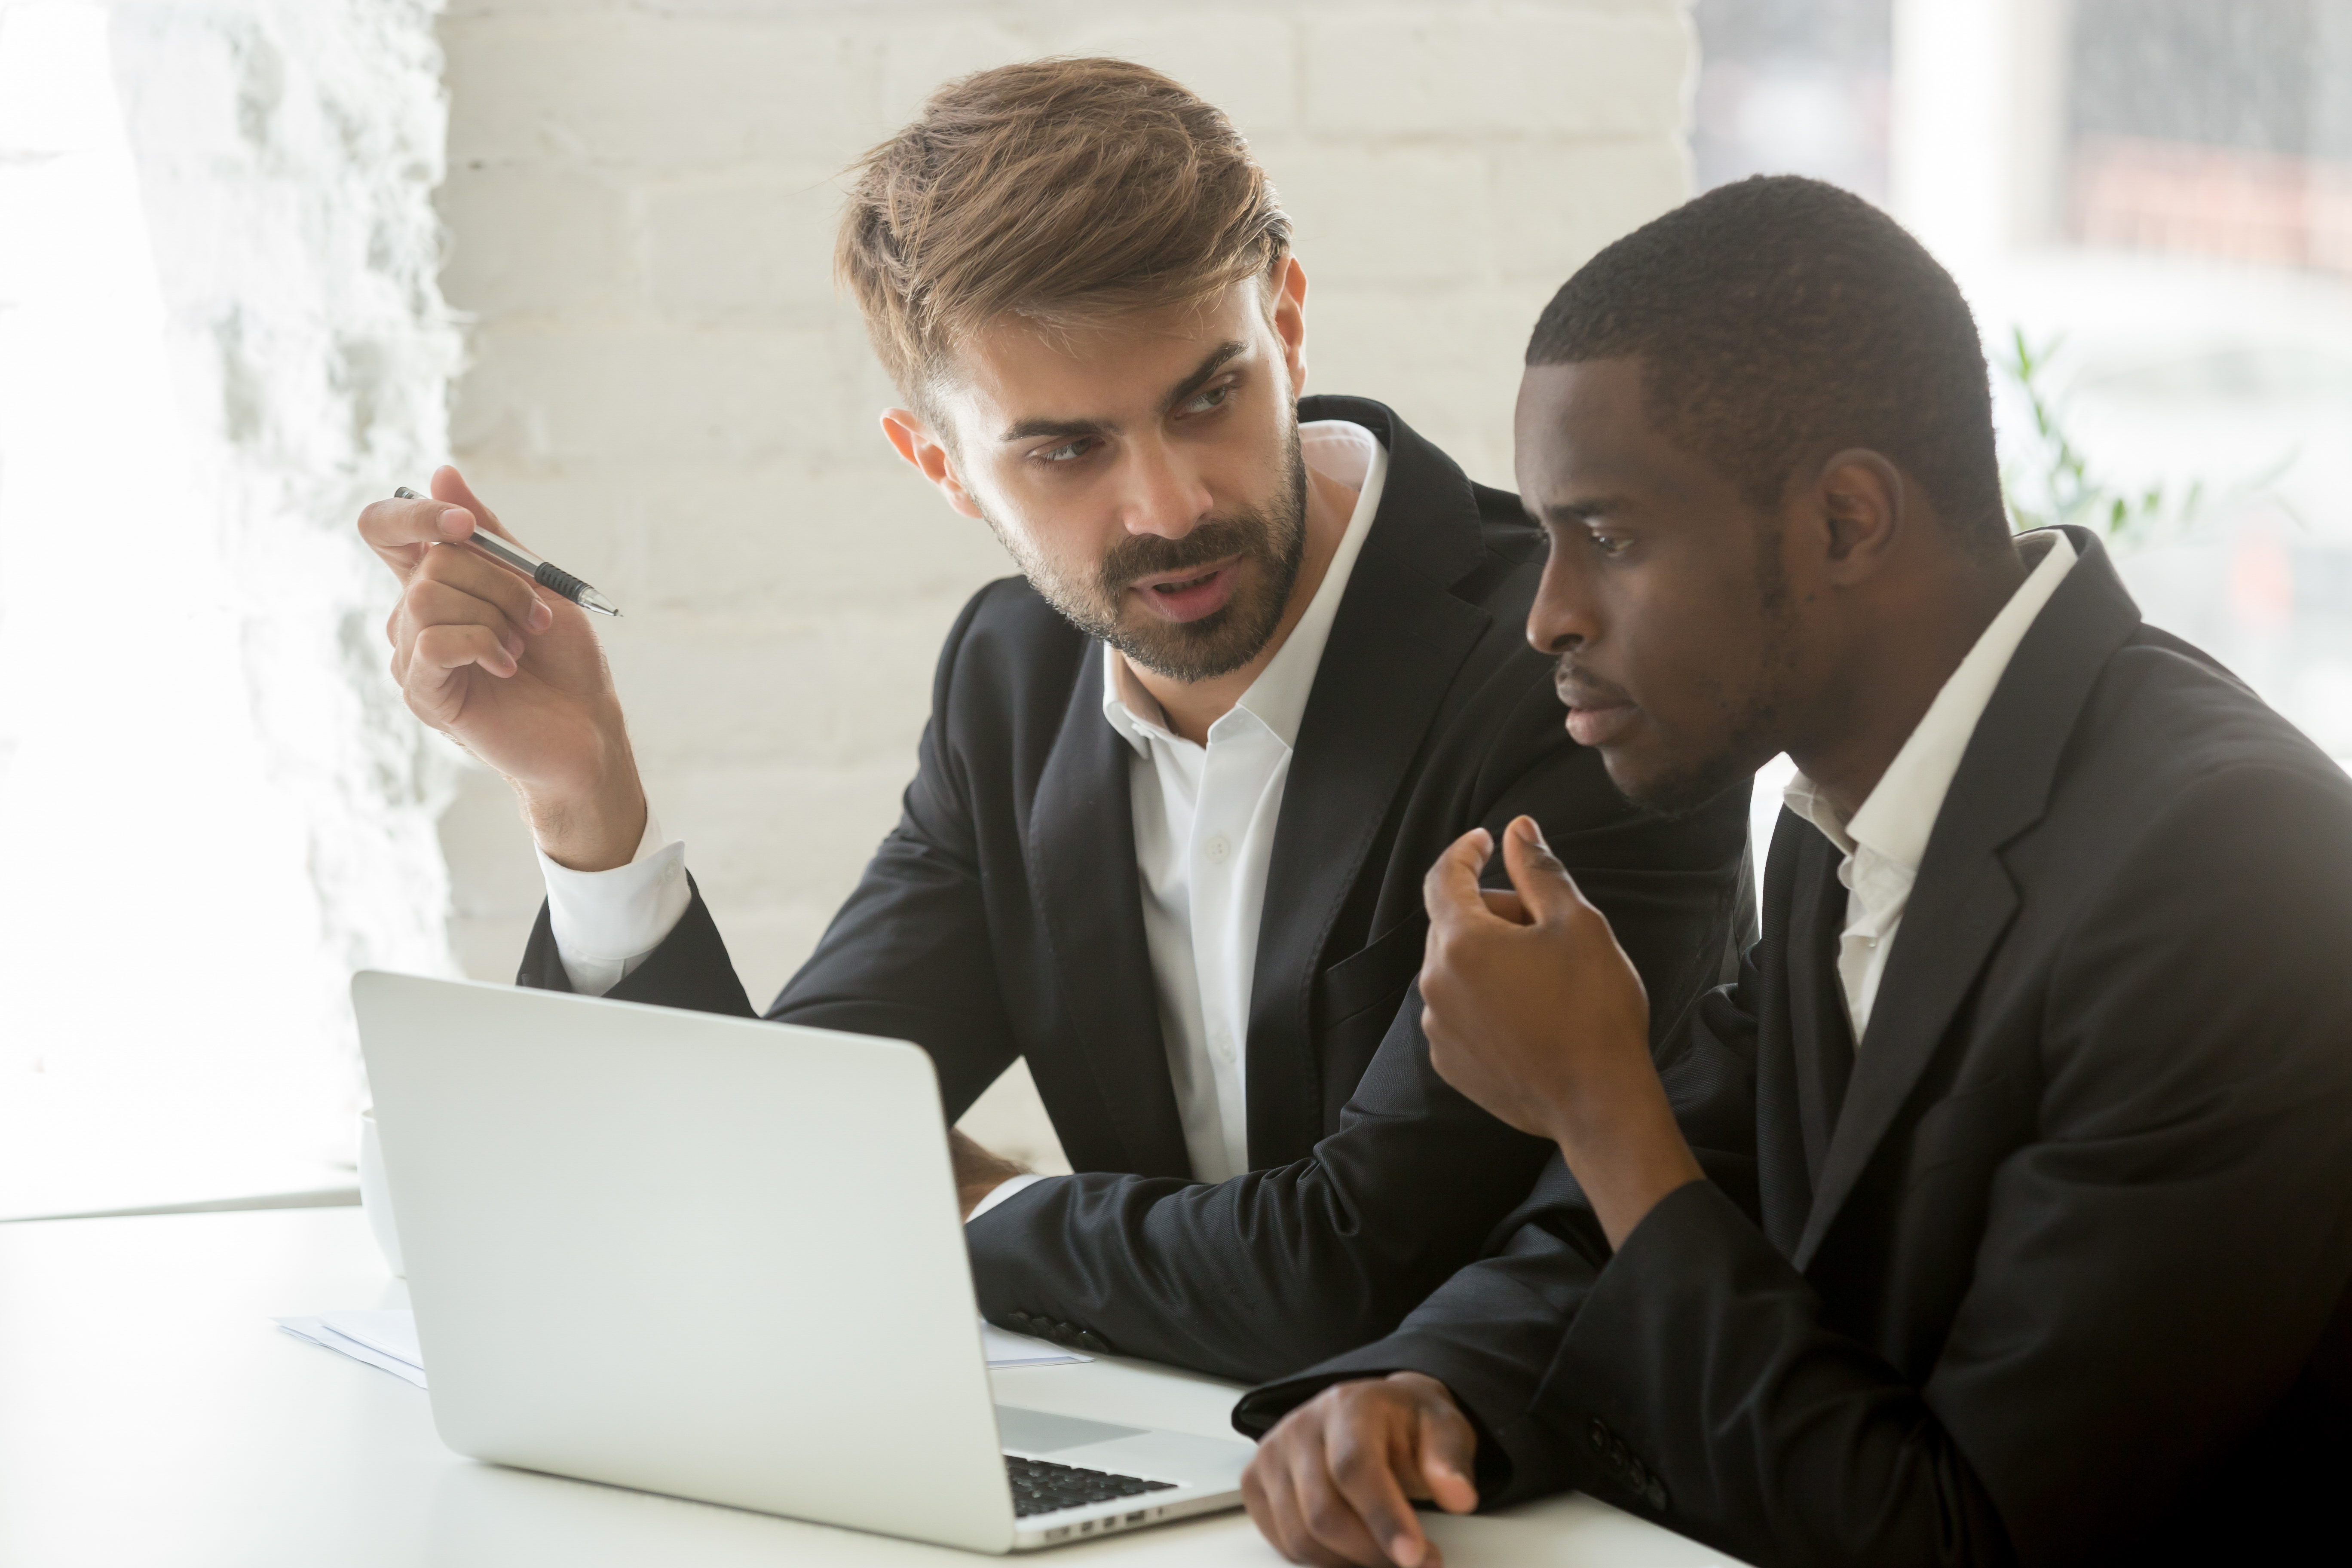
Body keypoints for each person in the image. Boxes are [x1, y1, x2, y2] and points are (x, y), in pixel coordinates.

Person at [358, 59, 1750, 1381]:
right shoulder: (1012, 682)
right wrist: (586, 802)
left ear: (1290, 319)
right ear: (942, 466)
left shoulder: (1563, 678)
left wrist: (973, 1210)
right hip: (1187, 1460)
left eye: (1209, 395)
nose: (1169, 505)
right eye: (1066, 449)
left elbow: (1348, 1276)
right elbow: (777, 1155)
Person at [1234, 175, 2352, 1567]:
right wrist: (1419, 1388)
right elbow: (1682, 1186)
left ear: (1845, 522)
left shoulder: (2233, 871)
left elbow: (1955, 1536)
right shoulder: (1850, 804)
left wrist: (1595, 1095)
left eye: (1612, 537)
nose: (1547, 615)